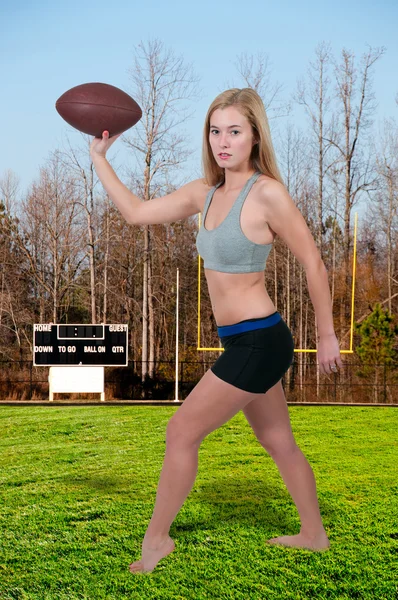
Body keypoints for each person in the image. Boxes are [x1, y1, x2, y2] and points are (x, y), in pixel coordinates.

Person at [90, 87, 343, 573]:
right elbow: (136, 212)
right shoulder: (202, 194)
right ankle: (314, 534)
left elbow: (312, 260)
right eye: (214, 130)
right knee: (278, 442)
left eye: (234, 131)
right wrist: (100, 157)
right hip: (242, 341)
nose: (222, 141)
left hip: (260, 341)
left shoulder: (267, 193)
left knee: (181, 430)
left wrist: (327, 334)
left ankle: (157, 540)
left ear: (254, 138)